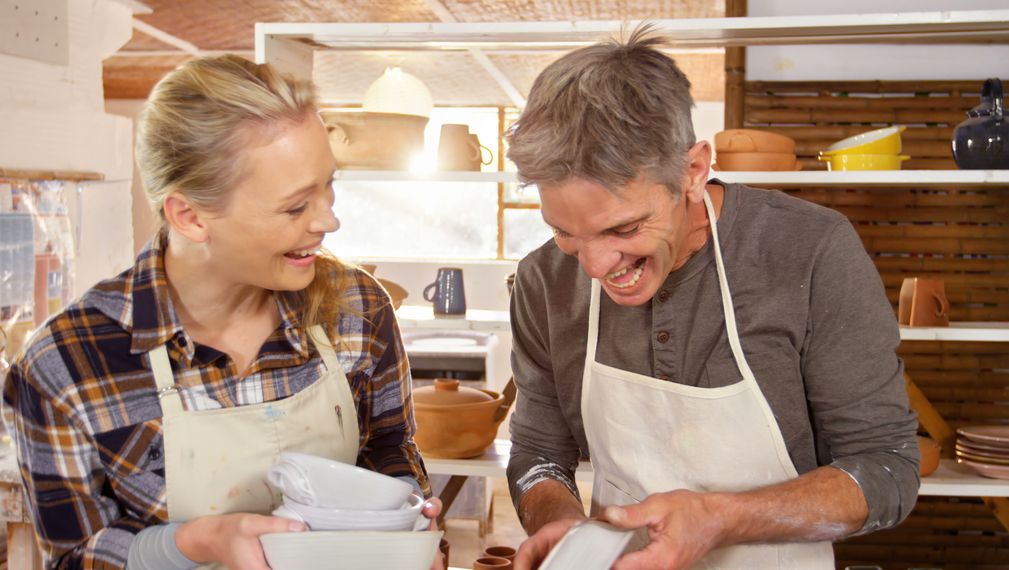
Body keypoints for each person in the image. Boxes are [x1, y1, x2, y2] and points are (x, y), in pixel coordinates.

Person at [504, 26, 919, 570]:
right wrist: (558, 522)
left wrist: (721, 517)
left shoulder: (809, 251)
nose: (597, 266)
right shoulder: (543, 280)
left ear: (694, 171)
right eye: (566, 232)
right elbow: (538, 454)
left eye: (623, 229)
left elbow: (886, 467)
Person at [2, 55, 440, 570]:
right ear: (190, 216)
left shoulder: (358, 308)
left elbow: (390, 444)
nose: (329, 220)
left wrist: (404, 524)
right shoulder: (65, 364)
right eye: (295, 207)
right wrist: (196, 543)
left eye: (329, 186)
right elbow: (74, 558)